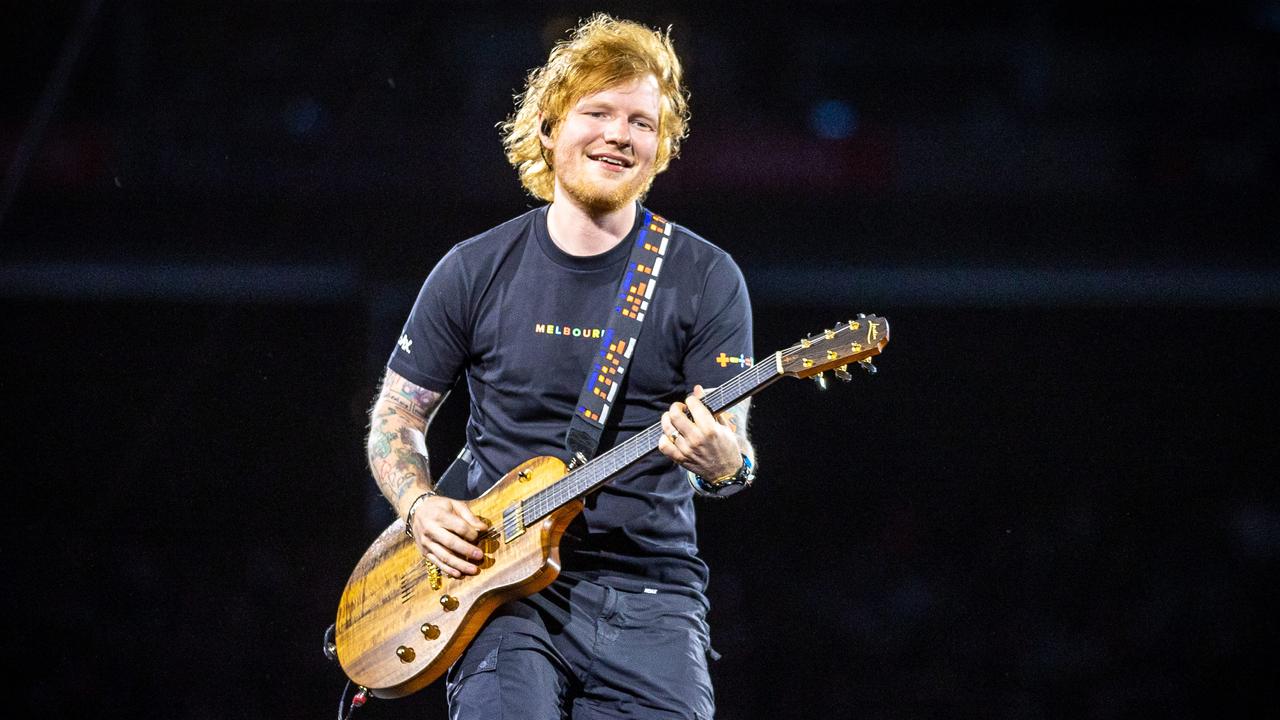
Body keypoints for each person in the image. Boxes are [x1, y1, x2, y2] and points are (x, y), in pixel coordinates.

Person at [365, 14, 756, 719]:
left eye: (641, 120)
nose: (618, 134)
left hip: (651, 595)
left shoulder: (707, 276)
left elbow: (729, 450)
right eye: (597, 111)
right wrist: (419, 506)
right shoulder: (472, 269)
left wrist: (726, 462)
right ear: (548, 127)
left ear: (661, 145)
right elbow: (397, 414)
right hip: (502, 596)